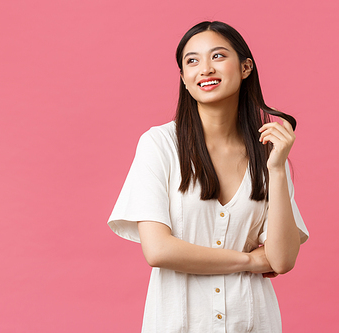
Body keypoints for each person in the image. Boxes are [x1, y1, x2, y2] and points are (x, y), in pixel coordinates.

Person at [108, 21, 309, 333]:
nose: (204, 69)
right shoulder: (159, 145)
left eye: (217, 56)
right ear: (184, 79)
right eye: (192, 60)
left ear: (245, 68)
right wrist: (251, 261)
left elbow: (281, 260)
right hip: (179, 323)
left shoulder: (267, 152)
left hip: (254, 322)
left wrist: (278, 169)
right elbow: (158, 250)